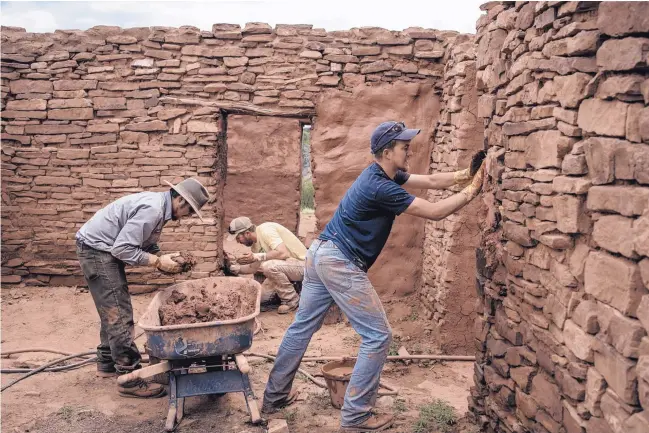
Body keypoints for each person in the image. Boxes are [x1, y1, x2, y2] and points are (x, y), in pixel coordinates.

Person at [261, 121, 485, 432]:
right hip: (339, 261)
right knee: (378, 336)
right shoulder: (380, 187)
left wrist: (465, 175)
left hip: (320, 253)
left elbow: (432, 180)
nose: (409, 149)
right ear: (386, 151)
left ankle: (274, 399)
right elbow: (434, 211)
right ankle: (356, 417)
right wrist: (475, 190)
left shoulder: (384, 173)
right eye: (404, 146)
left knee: (301, 328)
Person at [76, 178, 210, 398]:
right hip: (97, 251)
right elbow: (122, 249)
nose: (189, 217)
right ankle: (129, 379)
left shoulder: (160, 208)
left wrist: (161, 256)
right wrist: (157, 262)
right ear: (180, 200)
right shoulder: (153, 210)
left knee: (111, 307)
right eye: (191, 211)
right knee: (119, 313)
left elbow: (144, 241)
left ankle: (107, 363)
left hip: (101, 248)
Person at [226, 217, 306, 314]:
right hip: (287, 268)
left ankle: (291, 301)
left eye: (238, 238)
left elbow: (283, 253)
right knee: (260, 298)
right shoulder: (255, 246)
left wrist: (257, 256)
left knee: (269, 266)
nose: (238, 241)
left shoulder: (266, 230)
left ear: (247, 233)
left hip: (304, 265)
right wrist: (234, 268)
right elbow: (253, 268)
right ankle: (294, 289)